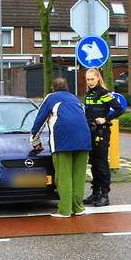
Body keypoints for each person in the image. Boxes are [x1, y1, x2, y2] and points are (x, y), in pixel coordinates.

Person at [30, 77, 92, 218]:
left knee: (64, 176)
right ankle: (78, 207)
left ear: (53, 88)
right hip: (84, 140)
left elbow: (40, 120)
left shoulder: (51, 98)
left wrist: (35, 141)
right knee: (79, 176)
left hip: (63, 140)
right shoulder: (75, 99)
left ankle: (64, 210)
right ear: (67, 87)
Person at [82, 67, 125, 207]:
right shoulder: (88, 94)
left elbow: (119, 109)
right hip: (90, 132)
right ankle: (95, 193)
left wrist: (105, 118)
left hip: (102, 132)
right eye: (87, 79)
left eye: (92, 79)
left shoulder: (103, 93)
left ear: (98, 78)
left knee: (101, 164)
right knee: (93, 163)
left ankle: (105, 195)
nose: (89, 82)